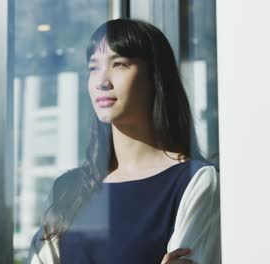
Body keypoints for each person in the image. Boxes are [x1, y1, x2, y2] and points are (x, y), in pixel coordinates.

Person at [26, 19, 221, 264]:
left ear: (155, 77)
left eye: (119, 64)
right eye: (93, 67)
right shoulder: (69, 189)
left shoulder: (195, 182)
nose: (102, 81)